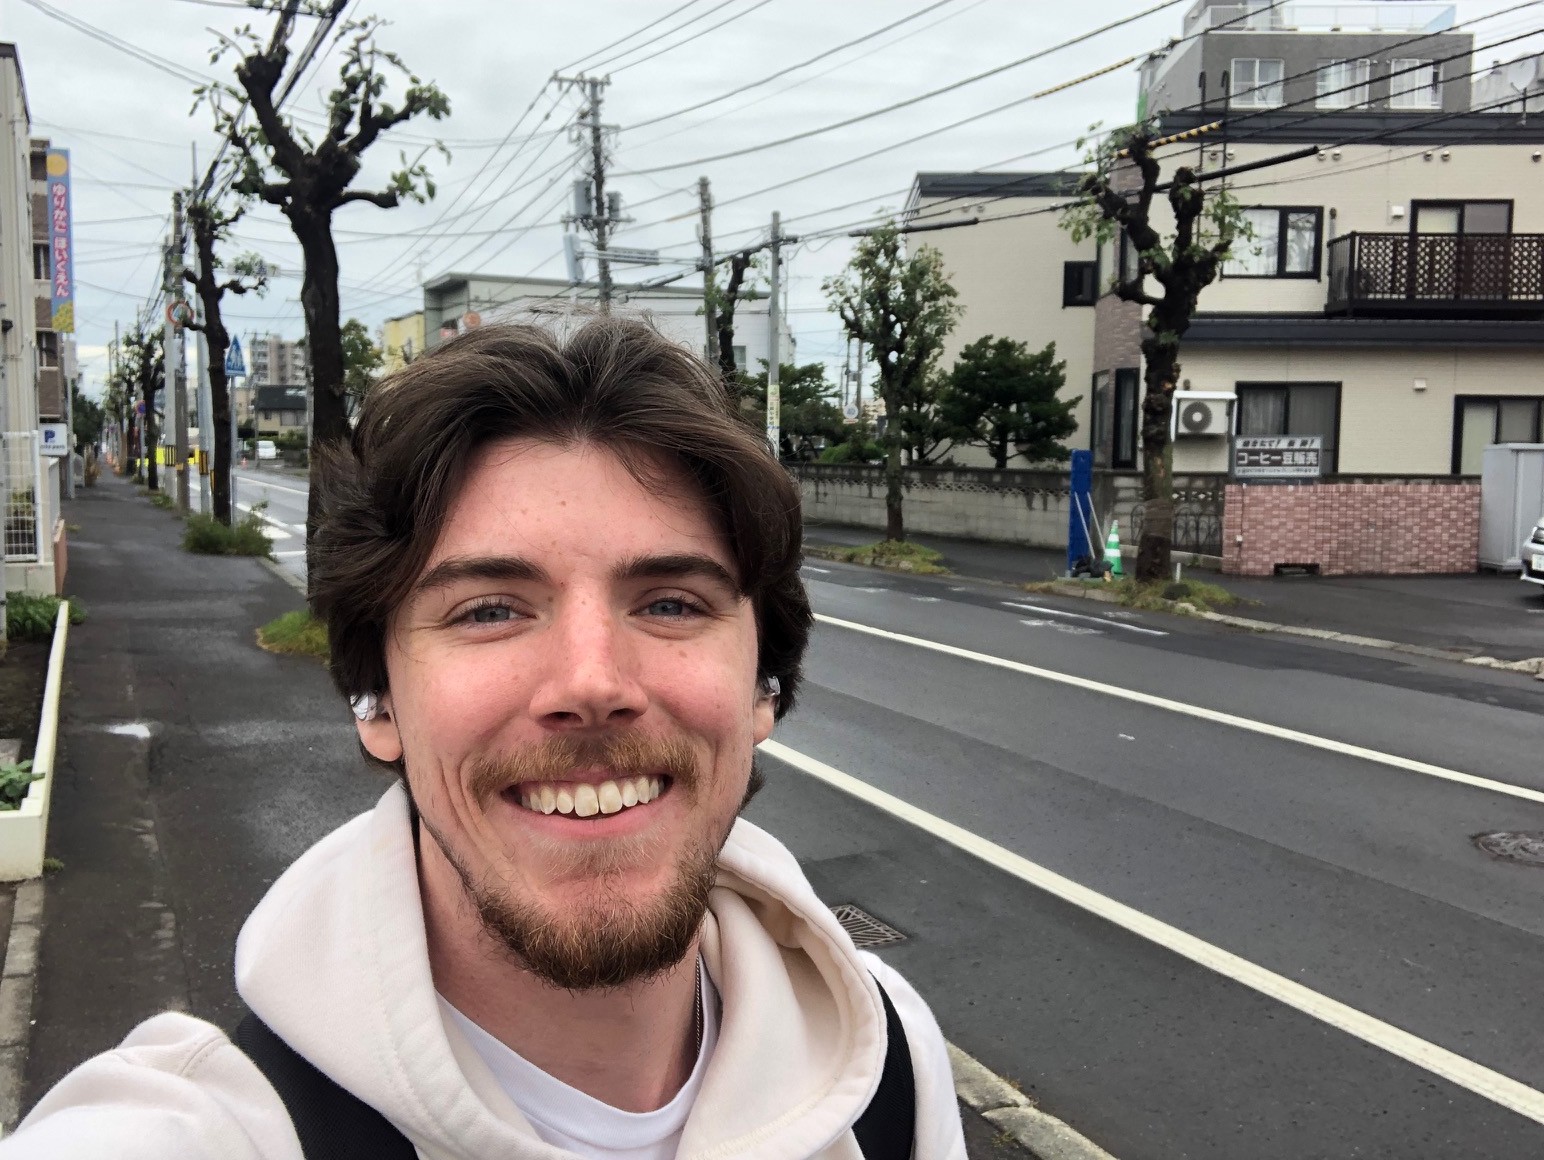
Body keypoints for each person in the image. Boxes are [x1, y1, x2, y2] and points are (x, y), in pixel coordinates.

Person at [4, 318, 965, 1160]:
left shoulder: (886, 1069)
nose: (592, 682)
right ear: (377, 699)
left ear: (763, 688)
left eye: (671, 602)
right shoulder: (214, 1129)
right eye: (490, 610)